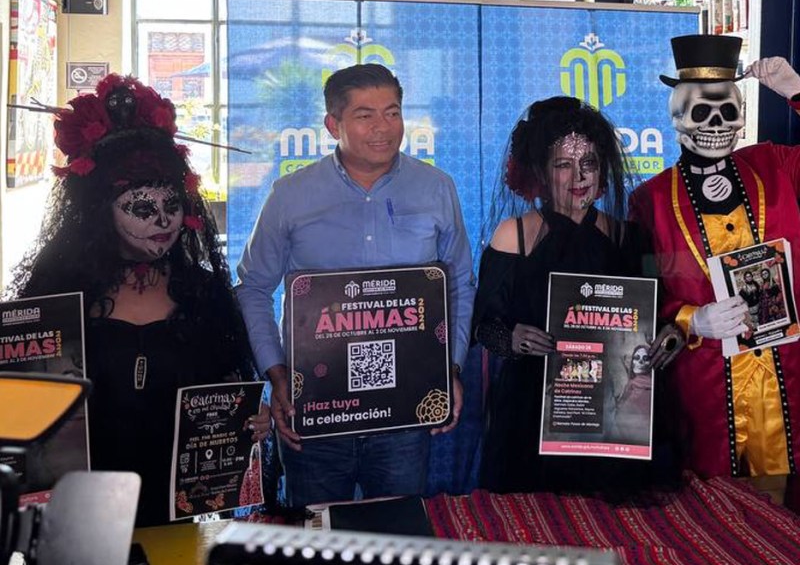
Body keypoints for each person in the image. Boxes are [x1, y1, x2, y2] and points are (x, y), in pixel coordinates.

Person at [3, 74, 270, 526]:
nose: (162, 221)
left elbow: (225, 389)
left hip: (177, 507)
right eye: (142, 208)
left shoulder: (203, 294)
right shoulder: (56, 296)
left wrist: (249, 418)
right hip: (80, 513)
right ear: (99, 212)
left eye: (171, 206)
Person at [236, 63, 475, 507]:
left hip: (405, 413)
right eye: (365, 115)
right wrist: (278, 374)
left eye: (393, 112)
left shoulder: (436, 188)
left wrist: (452, 368)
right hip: (316, 410)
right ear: (333, 124)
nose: (383, 128)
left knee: (398, 538)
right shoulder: (290, 194)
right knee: (316, 540)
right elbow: (252, 289)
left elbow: (459, 283)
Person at [472, 96, 683, 495]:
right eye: (563, 164)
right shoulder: (511, 236)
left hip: (613, 410)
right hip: (533, 408)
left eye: (588, 163)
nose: (578, 176)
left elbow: (660, 312)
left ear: (602, 170)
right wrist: (512, 337)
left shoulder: (631, 237)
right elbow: (484, 326)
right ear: (540, 172)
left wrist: (671, 336)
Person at [629, 35, 800, 477]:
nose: (718, 123)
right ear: (678, 120)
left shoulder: (774, 166)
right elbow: (648, 290)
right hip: (707, 394)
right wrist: (692, 319)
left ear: (742, 121)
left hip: (787, 387)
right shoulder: (650, 201)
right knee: (714, 523)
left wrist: (796, 90)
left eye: (729, 112)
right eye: (703, 112)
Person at [614, 346, 653, 446]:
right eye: (636, 358)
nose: (640, 362)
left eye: (645, 359)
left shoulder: (652, 388)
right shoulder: (630, 385)